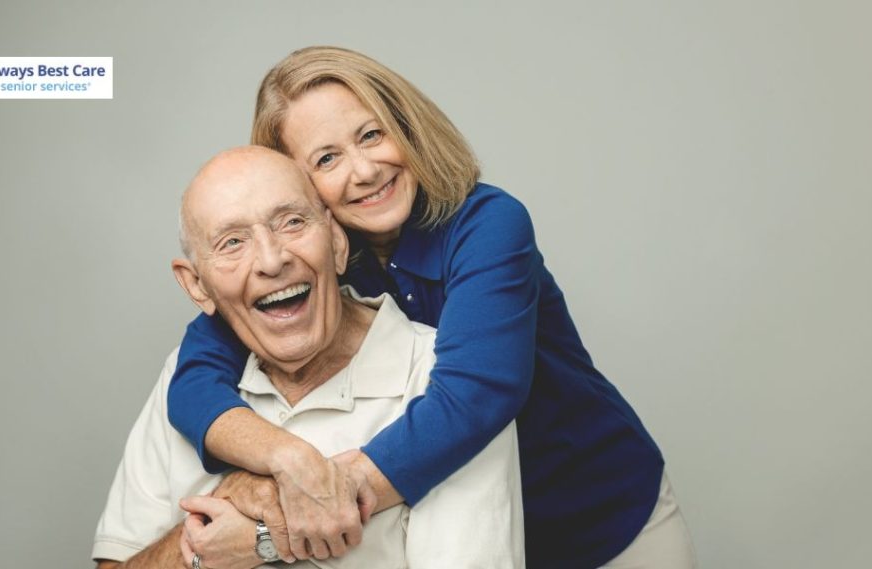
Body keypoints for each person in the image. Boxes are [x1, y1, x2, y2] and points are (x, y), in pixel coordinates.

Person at [170, 47, 695, 568]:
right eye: (327, 159)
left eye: (371, 135)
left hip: (607, 519)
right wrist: (289, 461)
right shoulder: (311, 258)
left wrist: (291, 517)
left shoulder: (489, 224)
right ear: (298, 185)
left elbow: (474, 396)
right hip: (478, 540)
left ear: (408, 127)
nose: (365, 170)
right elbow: (194, 379)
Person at [92, 147, 524, 568]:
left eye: (292, 222)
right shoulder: (185, 377)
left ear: (337, 243)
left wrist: (265, 537)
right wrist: (219, 510)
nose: (271, 260)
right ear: (197, 286)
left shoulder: (439, 384)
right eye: (232, 242)